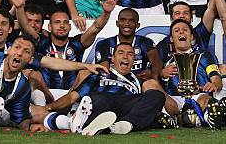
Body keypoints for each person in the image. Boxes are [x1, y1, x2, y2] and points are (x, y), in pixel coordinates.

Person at [34, 42, 165, 136]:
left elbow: (154, 103)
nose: (125, 56)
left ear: (133, 60)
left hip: (127, 107)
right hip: (102, 101)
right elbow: (73, 97)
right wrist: (48, 107)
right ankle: (93, 123)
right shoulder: (99, 75)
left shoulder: (139, 81)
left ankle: (125, 124)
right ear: (113, 58)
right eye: (121, 53)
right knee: (99, 99)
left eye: (130, 54)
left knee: (157, 96)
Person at [10, 0, 114, 98]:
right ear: (49, 26)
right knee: (34, 74)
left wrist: (106, 13)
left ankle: (66, 104)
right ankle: (54, 104)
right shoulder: (41, 42)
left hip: (72, 93)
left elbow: (95, 28)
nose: (62, 25)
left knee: (85, 73)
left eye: (65, 22)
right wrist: (19, 8)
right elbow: (26, 27)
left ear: (70, 27)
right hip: (45, 93)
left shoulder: (77, 43)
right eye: (57, 22)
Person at [95, 7, 162, 80]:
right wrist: (131, 78)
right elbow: (104, 71)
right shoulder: (104, 44)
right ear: (117, 23)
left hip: (140, 84)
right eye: (123, 20)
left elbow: (156, 61)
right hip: (113, 83)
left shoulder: (145, 42)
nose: (127, 23)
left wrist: (153, 74)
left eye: (131, 20)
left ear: (138, 25)